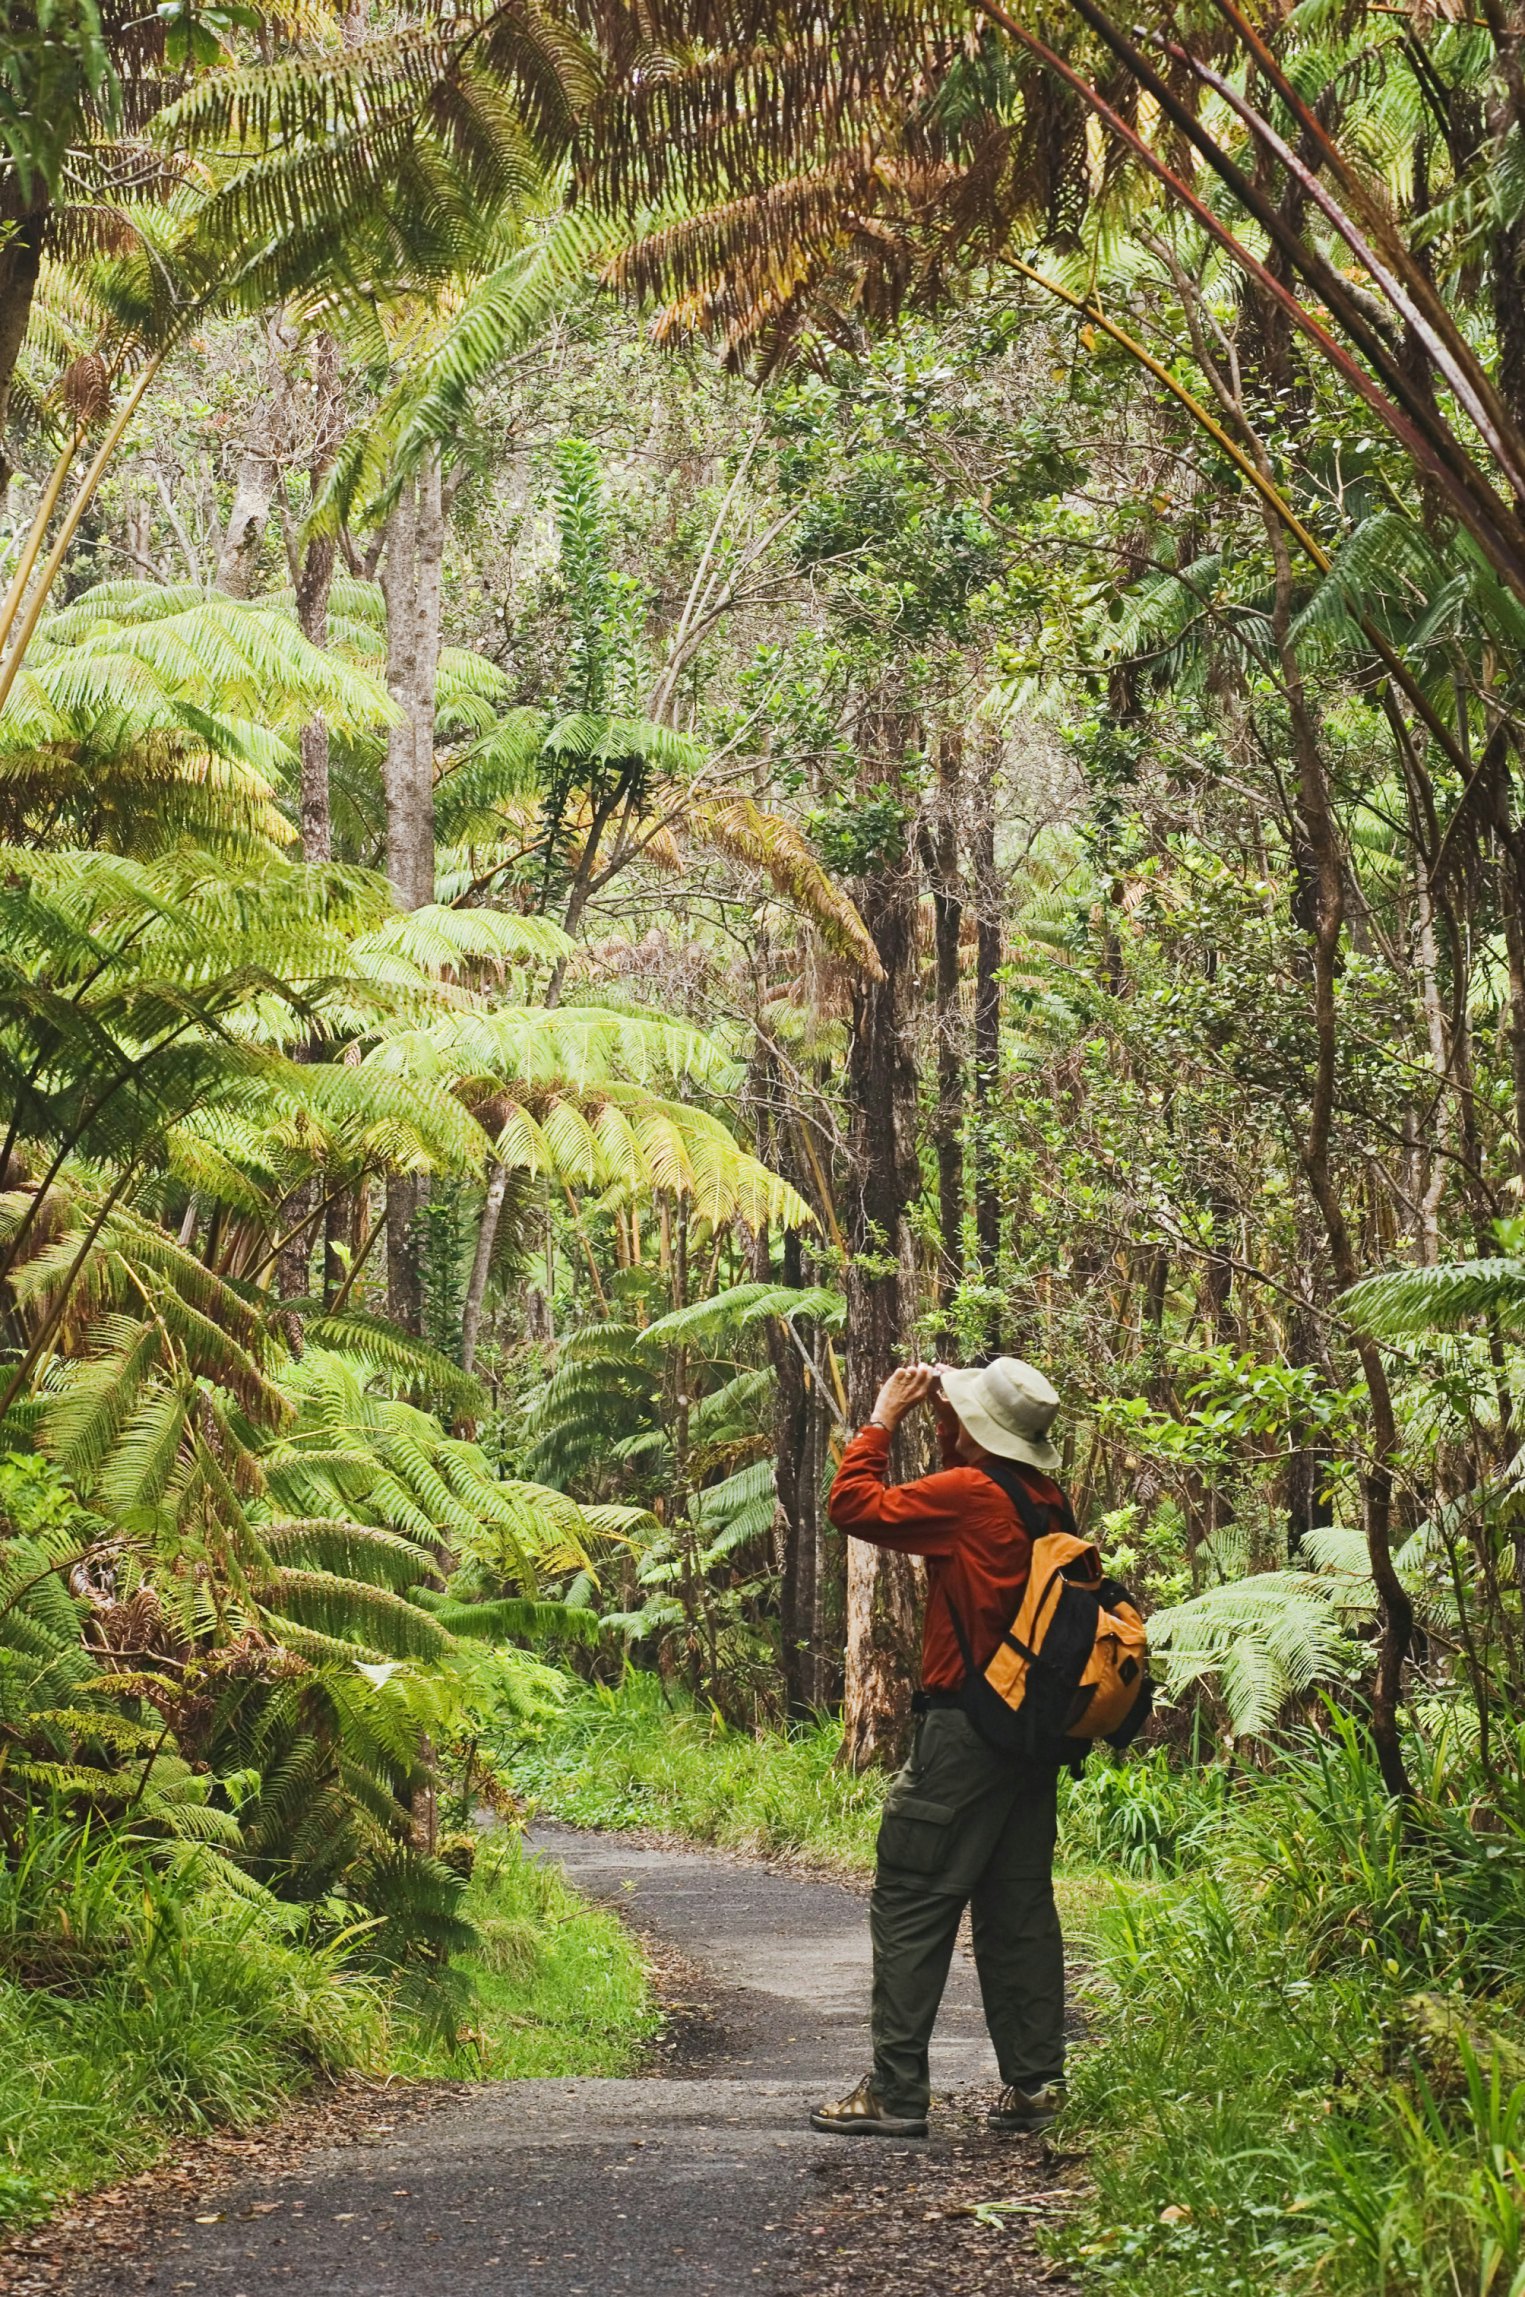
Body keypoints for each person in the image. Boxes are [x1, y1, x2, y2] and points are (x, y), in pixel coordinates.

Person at [810, 1356, 1070, 2142]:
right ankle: (1035, 2084)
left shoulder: (968, 1494)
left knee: (913, 1893)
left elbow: (851, 1504)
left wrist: (884, 1414)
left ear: (976, 1428)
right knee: (1015, 1905)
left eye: (953, 1414)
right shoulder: (1045, 1497)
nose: (944, 1420)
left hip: (964, 1728)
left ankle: (895, 2090)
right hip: (1030, 1731)